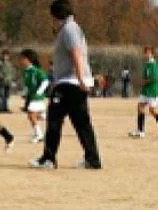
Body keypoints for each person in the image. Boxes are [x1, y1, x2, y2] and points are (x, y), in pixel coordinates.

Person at [30, 0, 102, 170]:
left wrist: (81, 78)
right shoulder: (70, 28)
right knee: (81, 122)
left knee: (55, 119)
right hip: (72, 82)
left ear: (56, 15)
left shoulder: (69, 29)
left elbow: (76, 54)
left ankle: (48, 158)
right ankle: (92, 159)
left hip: (69, 82)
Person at [129, 46, 158, 139]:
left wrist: (143, 82)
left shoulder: (153, 65)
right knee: (140, 106)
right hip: (146, 90)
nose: (146, 54)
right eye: (145, 52)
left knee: (152, 110)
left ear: (152, 54)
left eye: (148, 53)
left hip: (153, 90)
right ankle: (140, 131)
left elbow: (154, 78)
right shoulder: (147, 64)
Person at [18, 48, 49, 143]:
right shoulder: (26, 71)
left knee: (31, 115)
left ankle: (39, 135)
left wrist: (39, 92)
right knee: (32, 116)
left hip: (37, 97)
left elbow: (45, 81)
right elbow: (28, 85)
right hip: (32, 97)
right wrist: (24, 92)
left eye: (22, 58)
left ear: (28, 59)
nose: (20, 60)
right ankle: (48, 116)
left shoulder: (36, 71)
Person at [0, 49, 16, 113]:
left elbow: (13, 72)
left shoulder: (10, 64)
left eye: (6, 56)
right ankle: (0, 108)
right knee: (1, 95)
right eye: (4, 55)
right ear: (2, 55)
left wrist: (13, 79)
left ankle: (6, 108)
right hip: (1, 82)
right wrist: (2, 77)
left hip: (8, 82)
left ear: (8, 56)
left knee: (7, 95)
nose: (5, 57)